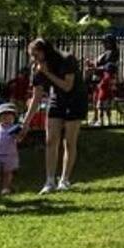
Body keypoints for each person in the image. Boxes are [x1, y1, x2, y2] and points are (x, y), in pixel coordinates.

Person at [25, 38, 87, 194]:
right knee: (51, 140)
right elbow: (37, 96)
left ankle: (64, 179)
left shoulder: (66, 59)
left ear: (44, 51)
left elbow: (67, 86)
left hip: (75, 100)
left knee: (69, 142)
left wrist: (47, 72)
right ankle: (49, 181)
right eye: (31, 55)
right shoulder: (37, 68)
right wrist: (26, 123)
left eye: (35, 54)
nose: (34, 58)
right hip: (56, 100)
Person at [0, 102, 26, 195]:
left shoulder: (14, 128)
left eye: (9, 115)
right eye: (4, 116)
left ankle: (5, 188)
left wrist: (18, 136)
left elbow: (19, 140)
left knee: (8, 172)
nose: (7, 118)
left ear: (14, 117)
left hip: (10, 154)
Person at [89, 35, 119, 126]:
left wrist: (95, 68)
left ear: (111, 43)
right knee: (95, 99)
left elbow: (108, 67)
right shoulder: (106, 52)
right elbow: (100, 64)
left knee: (103, 100)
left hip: (103, 79)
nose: (104, 44)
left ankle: (103, 120)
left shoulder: (113, 53)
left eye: (106, 42)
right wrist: (92, 64)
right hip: (97, 78)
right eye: (104, 42)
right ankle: (95, 118)